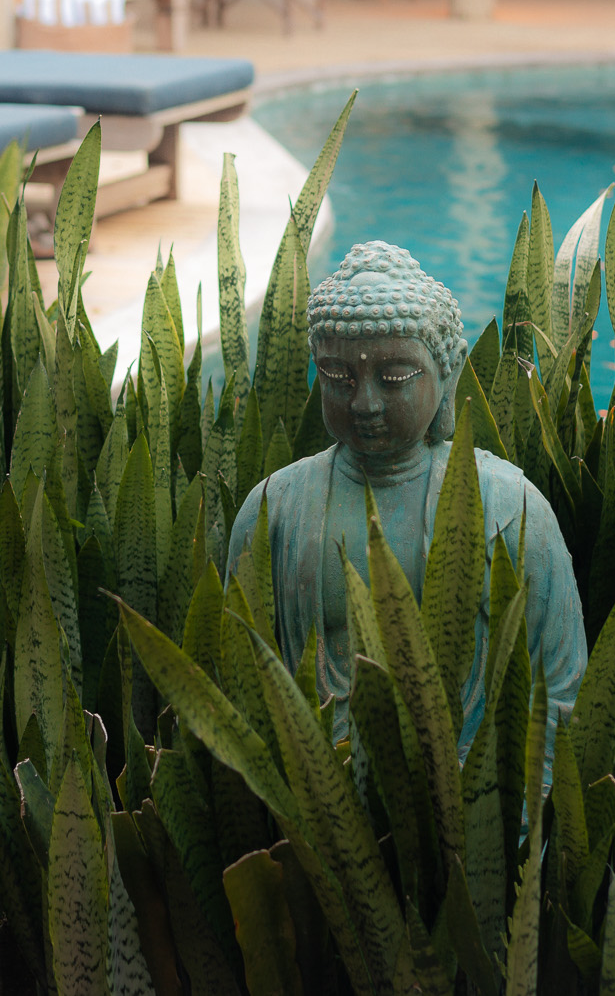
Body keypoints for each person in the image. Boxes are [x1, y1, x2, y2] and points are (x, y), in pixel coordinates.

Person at [223, 241, 586, 778]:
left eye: (394, 378)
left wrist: (514, 825)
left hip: (470, 807)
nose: (364, 403)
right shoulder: (274, 510)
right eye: (338, 377)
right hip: (319, 801)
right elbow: (239, 689)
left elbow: (560, 692)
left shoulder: (508, 508)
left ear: (447, 372)